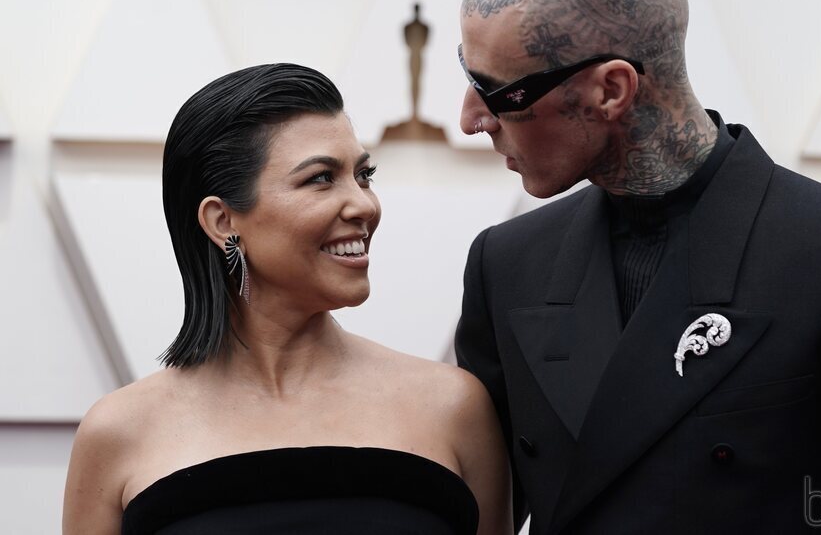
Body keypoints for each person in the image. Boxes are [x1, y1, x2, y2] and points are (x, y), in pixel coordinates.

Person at [454, 0, 821, 534]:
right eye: (466, 73)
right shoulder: (507, 263)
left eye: (500, 93)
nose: (470, 119)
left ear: (611, 90)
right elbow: (471, 506)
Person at [63, 64, 513, 534]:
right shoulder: (118, 433)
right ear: (222, 222)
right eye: (320, 178)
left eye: (364, 175)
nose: (364, 205)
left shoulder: (453, 407)